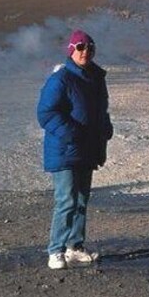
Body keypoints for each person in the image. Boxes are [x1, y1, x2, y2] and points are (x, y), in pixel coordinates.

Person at [37, 30, 114, 270]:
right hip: (66, 148)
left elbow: (100, 110)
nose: (85, 52)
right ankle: (55, 250)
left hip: (88, 147)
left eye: (89, 47)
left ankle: (75, 246)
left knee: (81, 199)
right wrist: (72, 133)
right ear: (71, 50)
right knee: (66, 200)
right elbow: (46, 113)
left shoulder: (95, 78)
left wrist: (105, 127)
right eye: (80, 47)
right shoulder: (61, 79)